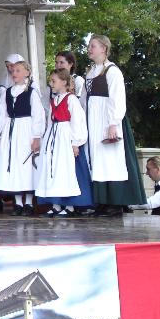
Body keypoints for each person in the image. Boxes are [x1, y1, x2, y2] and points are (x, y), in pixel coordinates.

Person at [80, 35, 146, 216]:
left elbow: (117, 99)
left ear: (104, 48)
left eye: (93, 46)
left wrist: (113, 124)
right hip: (93, 121)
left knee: (110, 159)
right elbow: (84, 100)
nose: (89, 49)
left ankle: (116, 203)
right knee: (97, 159)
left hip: (107, 120)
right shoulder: (90, 72)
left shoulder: (112, 71)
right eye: (89, 46)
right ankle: (101, 201)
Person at [35, 69, 90, 217]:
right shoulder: (54, 100)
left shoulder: (71, 99)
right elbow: (50, 121)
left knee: (66, 171)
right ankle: (56, 204)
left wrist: (76, 142)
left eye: (54, 81)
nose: (51, 84)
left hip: (65, 138)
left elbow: (78, 121)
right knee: (54, 170)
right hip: (54, 138)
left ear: (64, 82)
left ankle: (70, 205)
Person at [0, 60, 45, 216]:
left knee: (26, 166)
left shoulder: (31, 92)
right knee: (14, 164)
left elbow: (38, 115)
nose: (14, 73)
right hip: (11, 130)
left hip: (26, 131)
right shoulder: (6, 92)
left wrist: (36, 136)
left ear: (27, 73)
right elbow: (2, 114)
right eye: (13, 70)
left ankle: (29, 203)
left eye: (18, 70)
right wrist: (1, 133)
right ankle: (18, 202)